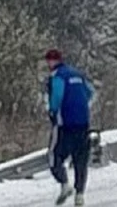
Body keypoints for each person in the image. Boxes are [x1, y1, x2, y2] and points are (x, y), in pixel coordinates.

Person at [45, 49, 94, 206]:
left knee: (54, 155)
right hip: (83, 123)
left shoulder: (57, 76)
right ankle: (80, 194)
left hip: (65, 124)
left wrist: (52, 112)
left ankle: (64, 184)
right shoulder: (78, 75)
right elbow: (90, 92)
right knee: (81, 160)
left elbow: (57, 97)